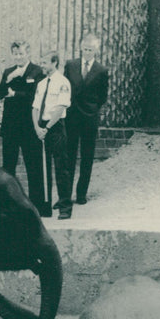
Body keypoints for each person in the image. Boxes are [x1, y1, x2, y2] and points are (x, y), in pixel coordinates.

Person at [0, 40, 45, 211]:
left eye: (21, 53)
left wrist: (15, 93)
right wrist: (7, 80)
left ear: (28, 53)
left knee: (34, 166)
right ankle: (8, 204)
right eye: (15, 54)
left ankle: (36, 204)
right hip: (10, 127)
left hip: (30, 126)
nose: (18, 57)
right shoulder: (9, 71)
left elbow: (35, 96)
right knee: (8, 167)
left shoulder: (37, 71)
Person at [64, 33, 109, 205]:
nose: (87, 52)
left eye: (90, 50)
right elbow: (65, 88)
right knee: (69, 155)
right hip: (71, 117)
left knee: (87, 156)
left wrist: (93, 110)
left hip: (90, 119)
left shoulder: (101, 70)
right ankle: (66, 195)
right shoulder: (71, 65)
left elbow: (102, 96)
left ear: (96, 50)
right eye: (84, 49)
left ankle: (81, 193)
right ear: (81, 48)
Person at [32, 51, 72, 219]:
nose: (42, 65)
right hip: (41, 128)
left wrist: (47, 128)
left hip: (55, 128)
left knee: (61, 167)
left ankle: (64, 207)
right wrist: (37, 127)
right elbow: (34, 108)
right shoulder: (41, 84)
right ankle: (45, 207)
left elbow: (60, 108)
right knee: (42, 168)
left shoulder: (63, 83)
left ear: (54, 63)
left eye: (45, 62)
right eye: (41, 62)